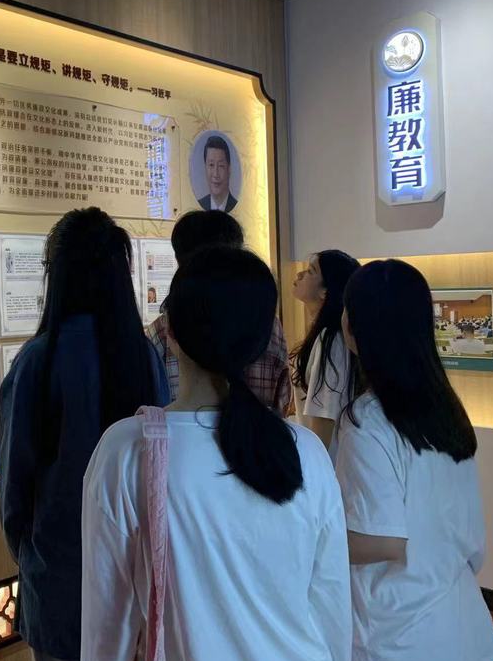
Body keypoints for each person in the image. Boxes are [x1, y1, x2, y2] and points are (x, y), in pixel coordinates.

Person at [81, 246, 350, 661]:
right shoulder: (306, 451)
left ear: (169, 331)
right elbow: (331, 605)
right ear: (262, 340)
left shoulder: (128, 450)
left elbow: (107, 625)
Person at [0, 207, 169, 661]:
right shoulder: (142, 355)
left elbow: (14, 487)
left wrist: (31, 556)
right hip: (135, 575)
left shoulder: (39, 361)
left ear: (57, 275)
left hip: (59, 576)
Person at [337, 260, 493, 661]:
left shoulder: (367, 421)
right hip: (467, 629)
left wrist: (309, 537)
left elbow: (381, 541)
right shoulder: (445, 408)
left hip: (402, 641)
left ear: (355, 328)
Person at [146, 209, 291, 413]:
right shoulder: (266, 322)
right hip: (261, 432)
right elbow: (281, 399)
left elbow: (153, 400)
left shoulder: (165, 328)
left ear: (181, 263)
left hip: (179, 432)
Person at [290, 249, 361, 454]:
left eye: (310, 271)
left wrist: (312, 466)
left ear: (325, 291)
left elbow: (324, 418)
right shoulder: (326, 336)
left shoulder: (331, 339)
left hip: (327, 460)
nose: (299, 275)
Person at [196, 135, 238, 212]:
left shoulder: (238, 206)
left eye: (221, 166)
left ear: (229, 169)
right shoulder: (198, 207)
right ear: (205, 167)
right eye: (211, 165)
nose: (216, 174)